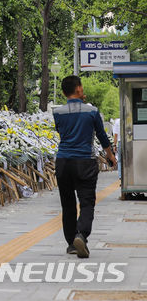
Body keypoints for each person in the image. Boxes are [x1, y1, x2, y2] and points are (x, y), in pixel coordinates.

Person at [53, 75, 116, 258]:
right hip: (85, 161)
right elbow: (102, 137)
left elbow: (61, 132)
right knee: (87, 202)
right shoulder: (92, 112)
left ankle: (72, 244)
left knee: (68, 204)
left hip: (63, 161)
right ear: (79, 89)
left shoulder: (57, 112)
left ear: (64, 92)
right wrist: (110, 156)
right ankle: (81, 234)